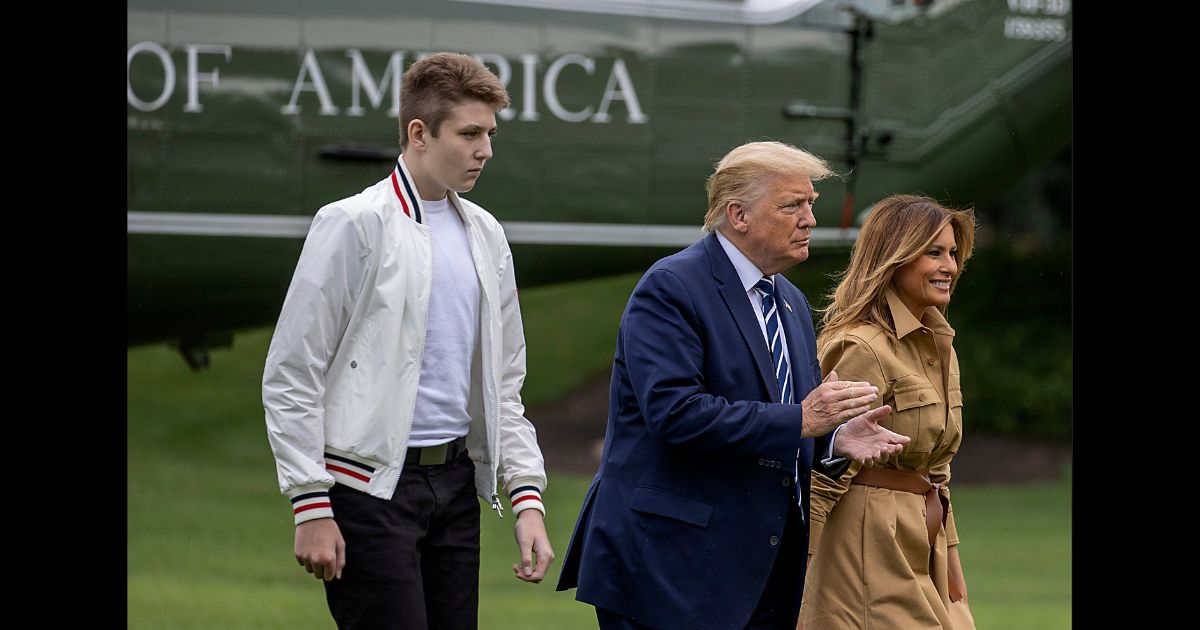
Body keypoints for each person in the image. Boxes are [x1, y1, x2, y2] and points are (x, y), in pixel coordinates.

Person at [556, 141, 912, 629]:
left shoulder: (787, 299)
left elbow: (786, 415)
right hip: (671, 569)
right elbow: (676, 414)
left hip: (763, 569)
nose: (809, 218)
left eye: (811, 204)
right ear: (737, 214)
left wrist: (833, 439)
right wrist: (802, 420)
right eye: (792, 205)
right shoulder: (672, 287)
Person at [261, 52, 553, 630]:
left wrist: (526, 497)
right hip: (366, 492)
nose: (485, 150)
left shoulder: (488, 235)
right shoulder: (352, 223)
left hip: (455, 489)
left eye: (490, 134)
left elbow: (504, 384)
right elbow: (293, 372)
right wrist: (310, 504)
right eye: (470, 133)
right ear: (419, 133)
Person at [798, 194, 977, 629]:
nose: (949, 266)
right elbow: (822, 464)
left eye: (953, 254)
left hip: (923, 536)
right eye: (933, 253)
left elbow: (939, 470)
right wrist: (795, 570)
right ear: (894, 258)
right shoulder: (860, 346)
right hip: (865, 541)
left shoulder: (939, 343)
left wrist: (952, 569)